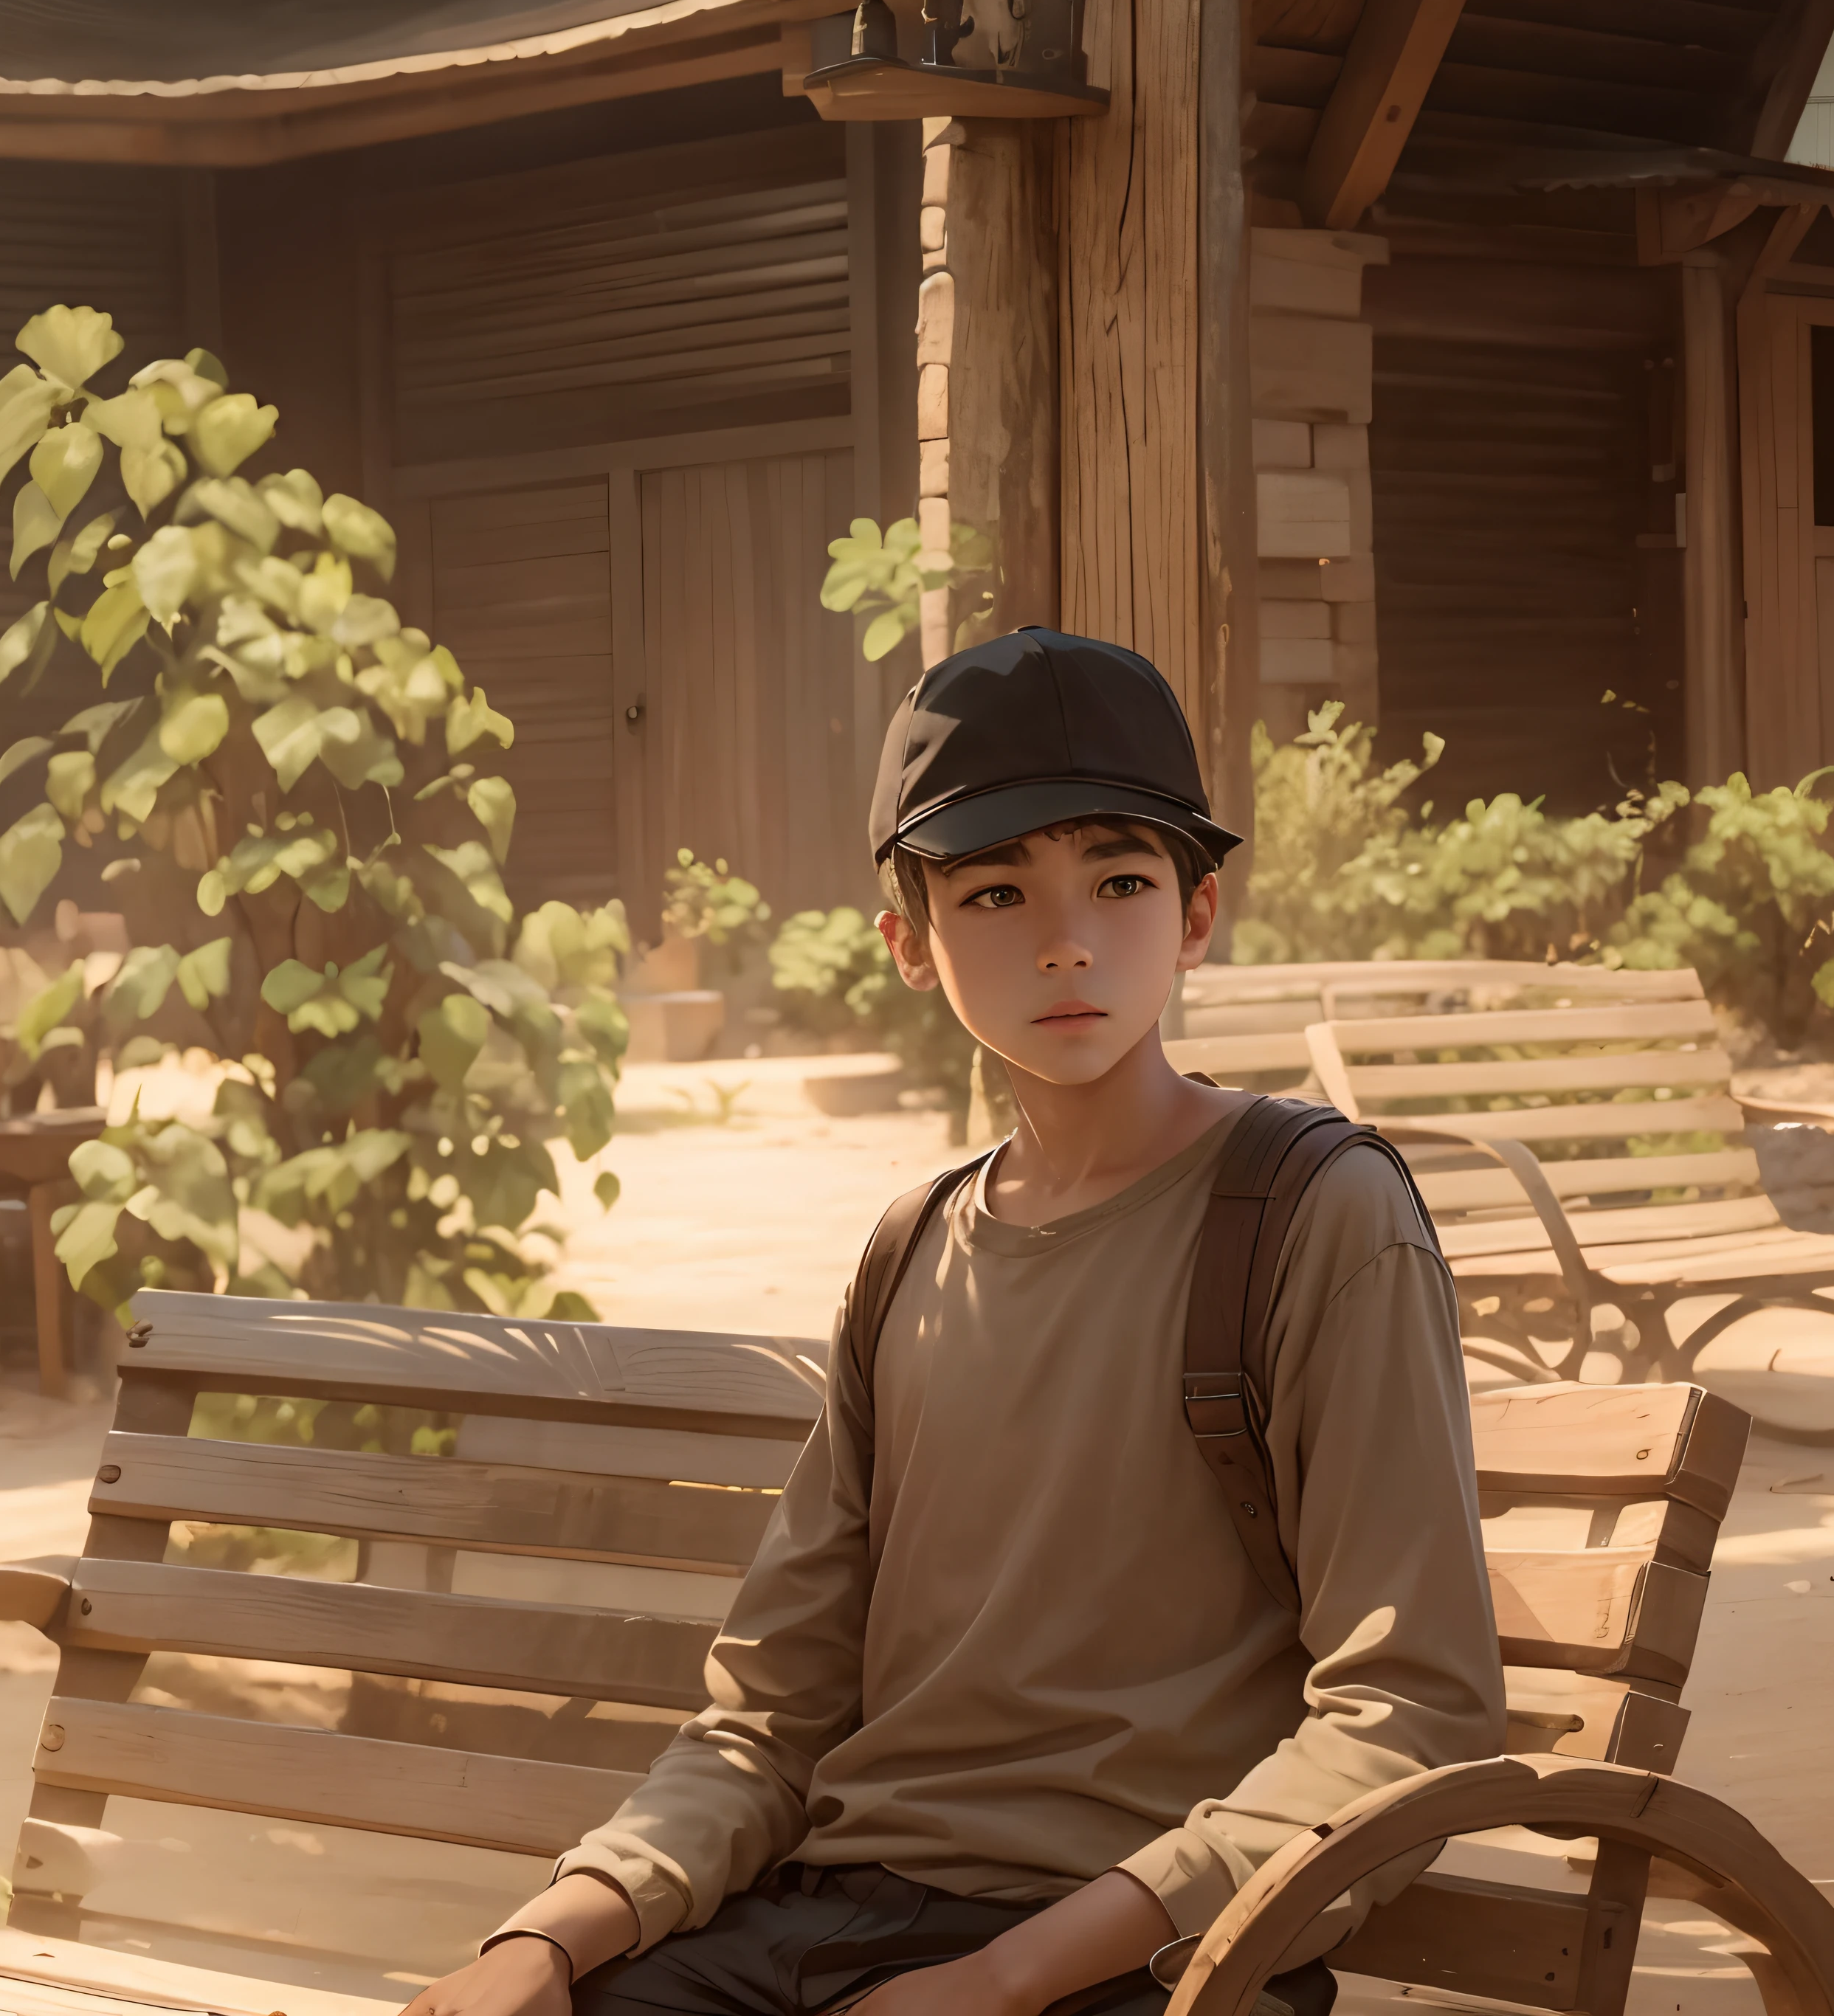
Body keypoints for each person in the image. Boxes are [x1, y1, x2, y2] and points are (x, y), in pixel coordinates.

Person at [401, 629, 1503, 2016]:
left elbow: (1411, 1715)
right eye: (994, 892)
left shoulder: (1315, 1214)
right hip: (814, 1924)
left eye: (1121, 880)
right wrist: (547, 1940)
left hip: (1138, 1956)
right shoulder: (911, 1248)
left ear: (1199, 911)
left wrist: (1001, 1980)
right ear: (909, 944)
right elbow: (768, 1717)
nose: (1066, 940)